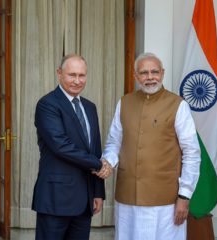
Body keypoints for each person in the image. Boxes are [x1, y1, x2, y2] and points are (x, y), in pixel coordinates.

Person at [100, 52, 201, 239]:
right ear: (136, 76)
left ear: (162, 73)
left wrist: (184, 197)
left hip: (165, 201)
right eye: (144, 73)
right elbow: (114, 142)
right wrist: (108, 162)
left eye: (154, 72)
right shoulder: (125, 103)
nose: (150, 77)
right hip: (127, 198)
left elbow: (192, 153)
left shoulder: (178, 105)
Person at [32, 54, 111, 239]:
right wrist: (100, 165)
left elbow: (95, 148)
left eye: (82, 75)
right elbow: (61, 145)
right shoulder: (47, 104)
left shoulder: (90, 107)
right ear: (59, 74)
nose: (77, 81)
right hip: (55, 199)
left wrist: (98, 192)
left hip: (84, 201)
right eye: (72, 75)